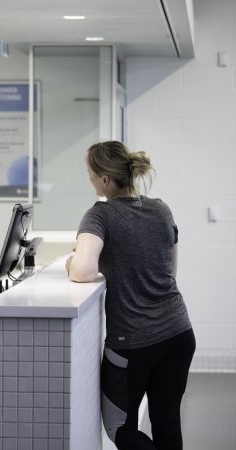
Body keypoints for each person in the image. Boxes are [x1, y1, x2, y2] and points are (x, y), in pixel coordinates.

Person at [66, 140, 195, 450]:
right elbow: (170, 270)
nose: (89, 179)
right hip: (178, 331)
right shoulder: (161, 208)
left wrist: (71, 260)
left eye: (90, 173)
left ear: (105, 179)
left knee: (118, 427)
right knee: (166, 420)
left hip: (132, 343)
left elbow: (82, 270)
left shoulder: (100, 214)